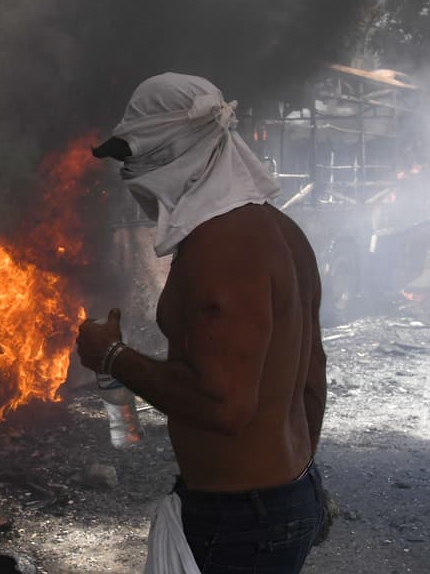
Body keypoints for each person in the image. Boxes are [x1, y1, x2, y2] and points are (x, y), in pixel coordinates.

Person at [77, 73, 327, 574]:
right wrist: (300, 485)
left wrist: (111, 357)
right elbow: (312, 378)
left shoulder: (222, 245)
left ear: (181, 149)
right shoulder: (279, 229)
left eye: (135, 155)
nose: (129, 171)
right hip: (280, 497)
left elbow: (225, 406)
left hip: (239, 520)